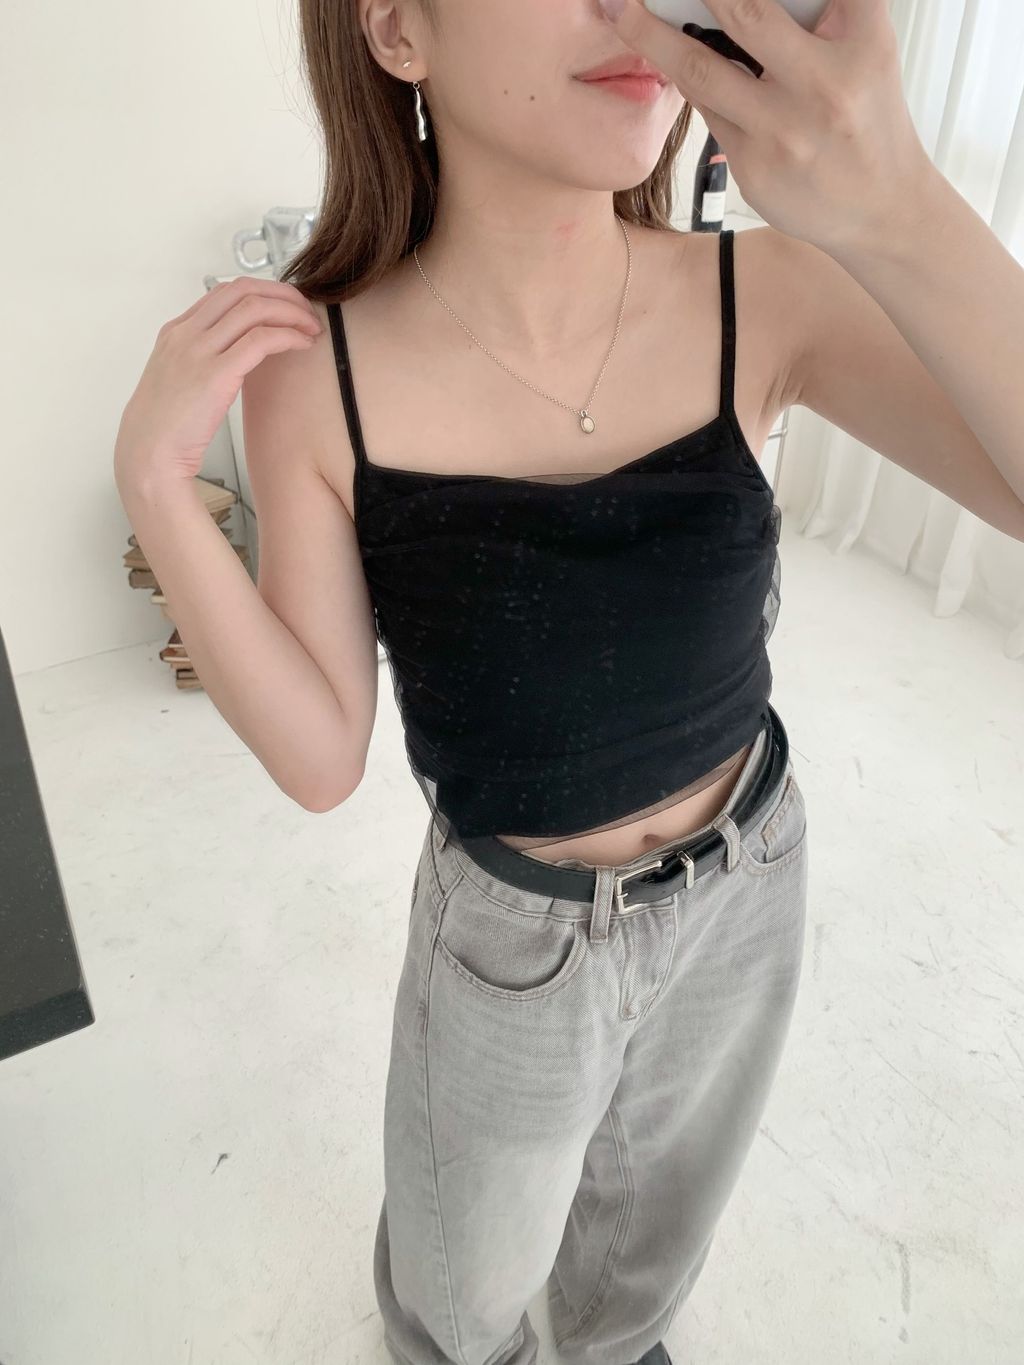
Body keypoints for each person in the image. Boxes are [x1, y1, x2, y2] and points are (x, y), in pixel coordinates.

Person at [117, 2, 1024, 1363]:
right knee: (462, 1295)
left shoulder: (766, 290)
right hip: (514, 948)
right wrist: (156, 484)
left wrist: (896, 201)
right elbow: (319, 758)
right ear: (397, 30)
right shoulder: (319, 373)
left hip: (750, 886)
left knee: (647, 1261)